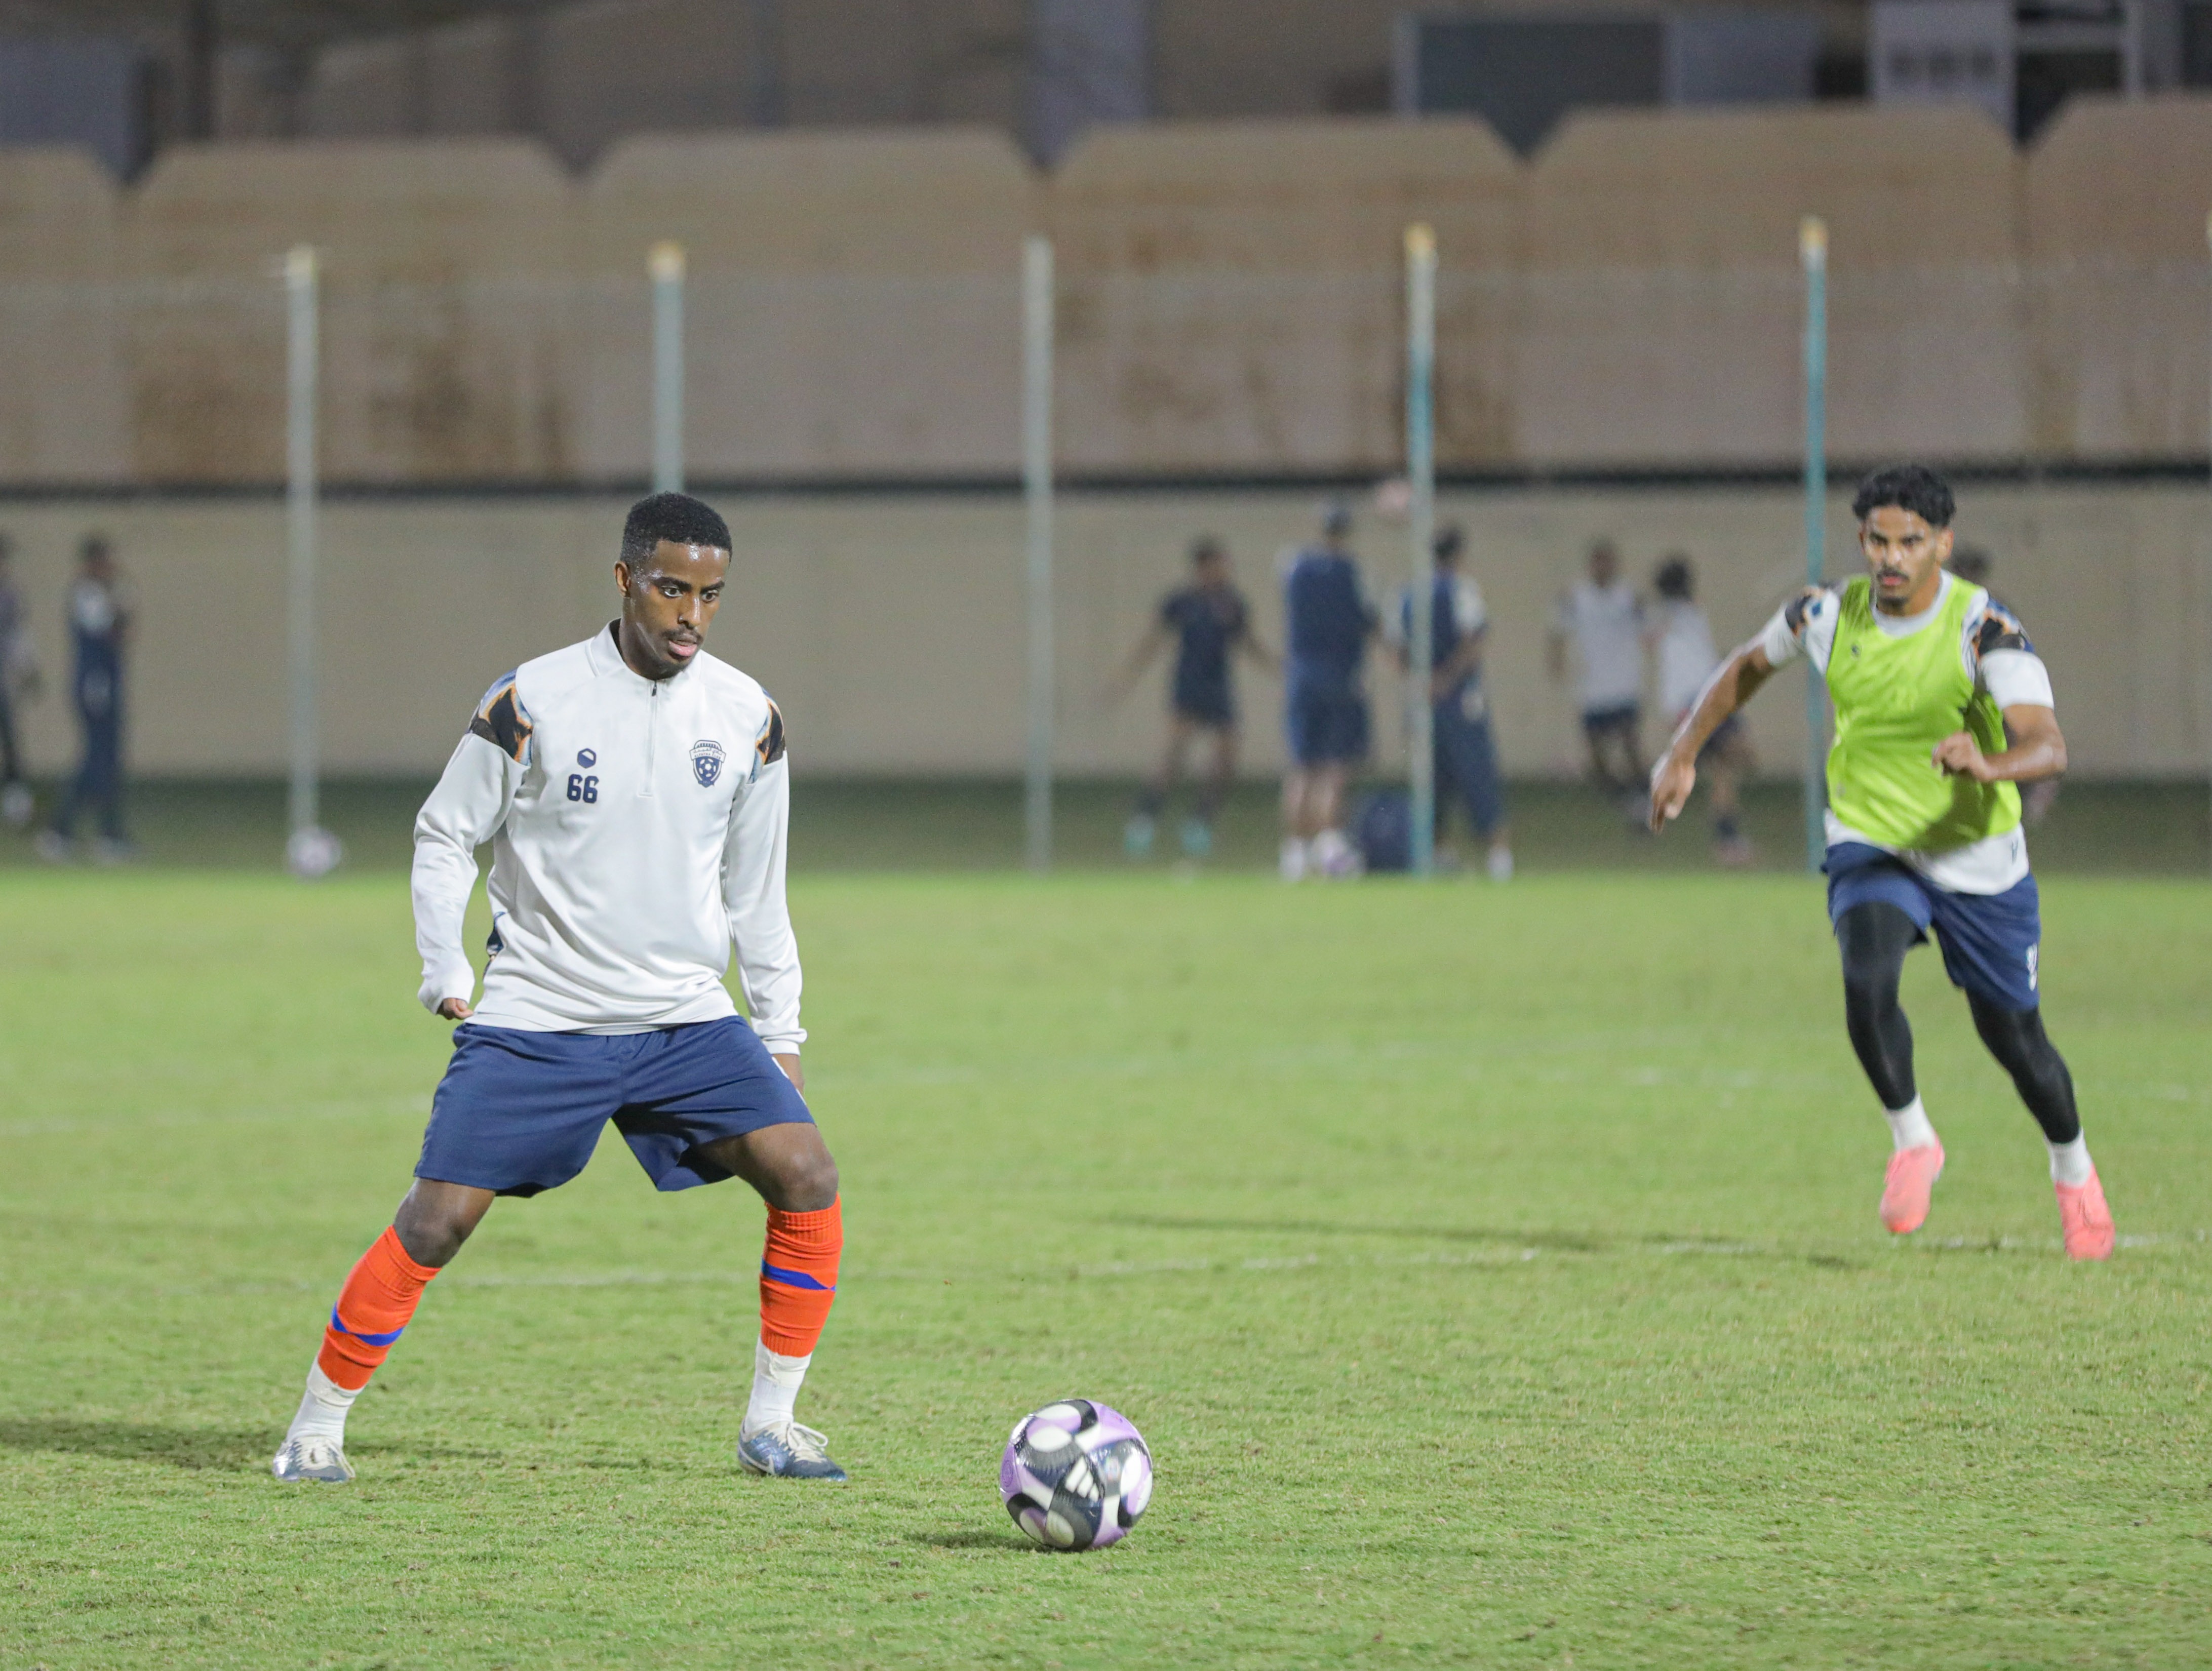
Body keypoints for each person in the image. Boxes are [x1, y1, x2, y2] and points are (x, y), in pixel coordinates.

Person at [270, 492, 850, 1485]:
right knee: (436, 1222)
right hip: (542, 1015)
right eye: (672, 588)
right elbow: (446, 833)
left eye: (711, 596)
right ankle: (314, 1429)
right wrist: (445, 964)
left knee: (807, 1175)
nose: (691, 616)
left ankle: (773, 1425)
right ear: (625, 579)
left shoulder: (749, 717)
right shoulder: (532, 700)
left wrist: (780, 1031)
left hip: (684, 1020)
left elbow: (758, 895)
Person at [1650, 464, 2113, 1259]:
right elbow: (1745, 668)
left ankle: (2074, 1173)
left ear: (1944, 544)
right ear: (1861, 540)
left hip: (1976, 858)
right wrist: (1684, 752)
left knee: (2016, 1043)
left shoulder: (1984, 628)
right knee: (1866, 979)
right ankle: (1914, 1139)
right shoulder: (1825, 612)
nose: (1892, 558)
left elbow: (2048, 743)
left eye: (1911, 542)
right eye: (1878, 540)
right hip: (1872, 839)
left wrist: (1988, 761)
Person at [1114, 536, 1275, 860]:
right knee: (1173, 756)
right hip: (1188, 687)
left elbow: (1248, 643)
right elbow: (1152, 641)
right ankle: (1144, 821)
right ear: (1203, 567)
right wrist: (1126, 677)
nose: (1225, 571)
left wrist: (1278, 666)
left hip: (1219, 689)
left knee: (1226, 760)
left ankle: (1200, 823)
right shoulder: (1181, 601)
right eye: (1219, 564)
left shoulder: (1232, 603)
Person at [1388, 524, 1512, 881]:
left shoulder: (1406, 593)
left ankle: (1440, 849)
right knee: (1473, 772)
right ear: (1458, 555)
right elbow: (1475, 639)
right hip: (1459, 699)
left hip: (1423, 699)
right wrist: (1446, 678)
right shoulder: (1462, 590)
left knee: (1431, 776)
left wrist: (1418, 681)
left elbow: (1395, 648)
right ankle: (1496, 854)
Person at [1279, 500, 1376, 880]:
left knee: (1302, 766)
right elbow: (1368, 621)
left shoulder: (1296, 568)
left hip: (1301, 675)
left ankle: (1294, 851)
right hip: (1339, 674)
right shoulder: (1351, 572)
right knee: (1335, 766)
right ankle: (1329, 844)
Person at [1649, 555, 1753, 865]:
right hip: (1697, 703)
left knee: (1727, 769)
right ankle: (1727, 840)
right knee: (1730, 765)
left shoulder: (1688, 615)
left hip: (1703, 700)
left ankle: (1726, 839)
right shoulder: (1678, 615)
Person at [37, 535, 130, 862]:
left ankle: (102, 830)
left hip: (107, 684)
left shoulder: (104, 592)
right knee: (96, 759)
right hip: (95, 685)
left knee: (105, 760)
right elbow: (110, 632)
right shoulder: (86, 594)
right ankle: (70, 829)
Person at [1548, 539, 1647, 820]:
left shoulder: (1628, 597)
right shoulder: (1577, 598)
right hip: (1593, 691)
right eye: (1598, 562)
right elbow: (1557, 630)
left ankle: (1646, 800)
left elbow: (1648, 627)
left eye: (1608, 562)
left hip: (1624, 686)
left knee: (1631, 748)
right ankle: (1629, 802)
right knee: (1596, 760)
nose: (1603, 568)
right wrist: (1557, 663)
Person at [0, 534, 39, 828]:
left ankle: (16, 806)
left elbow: (17, 636)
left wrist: (28, 669)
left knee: (11, 743)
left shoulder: (9, 594)